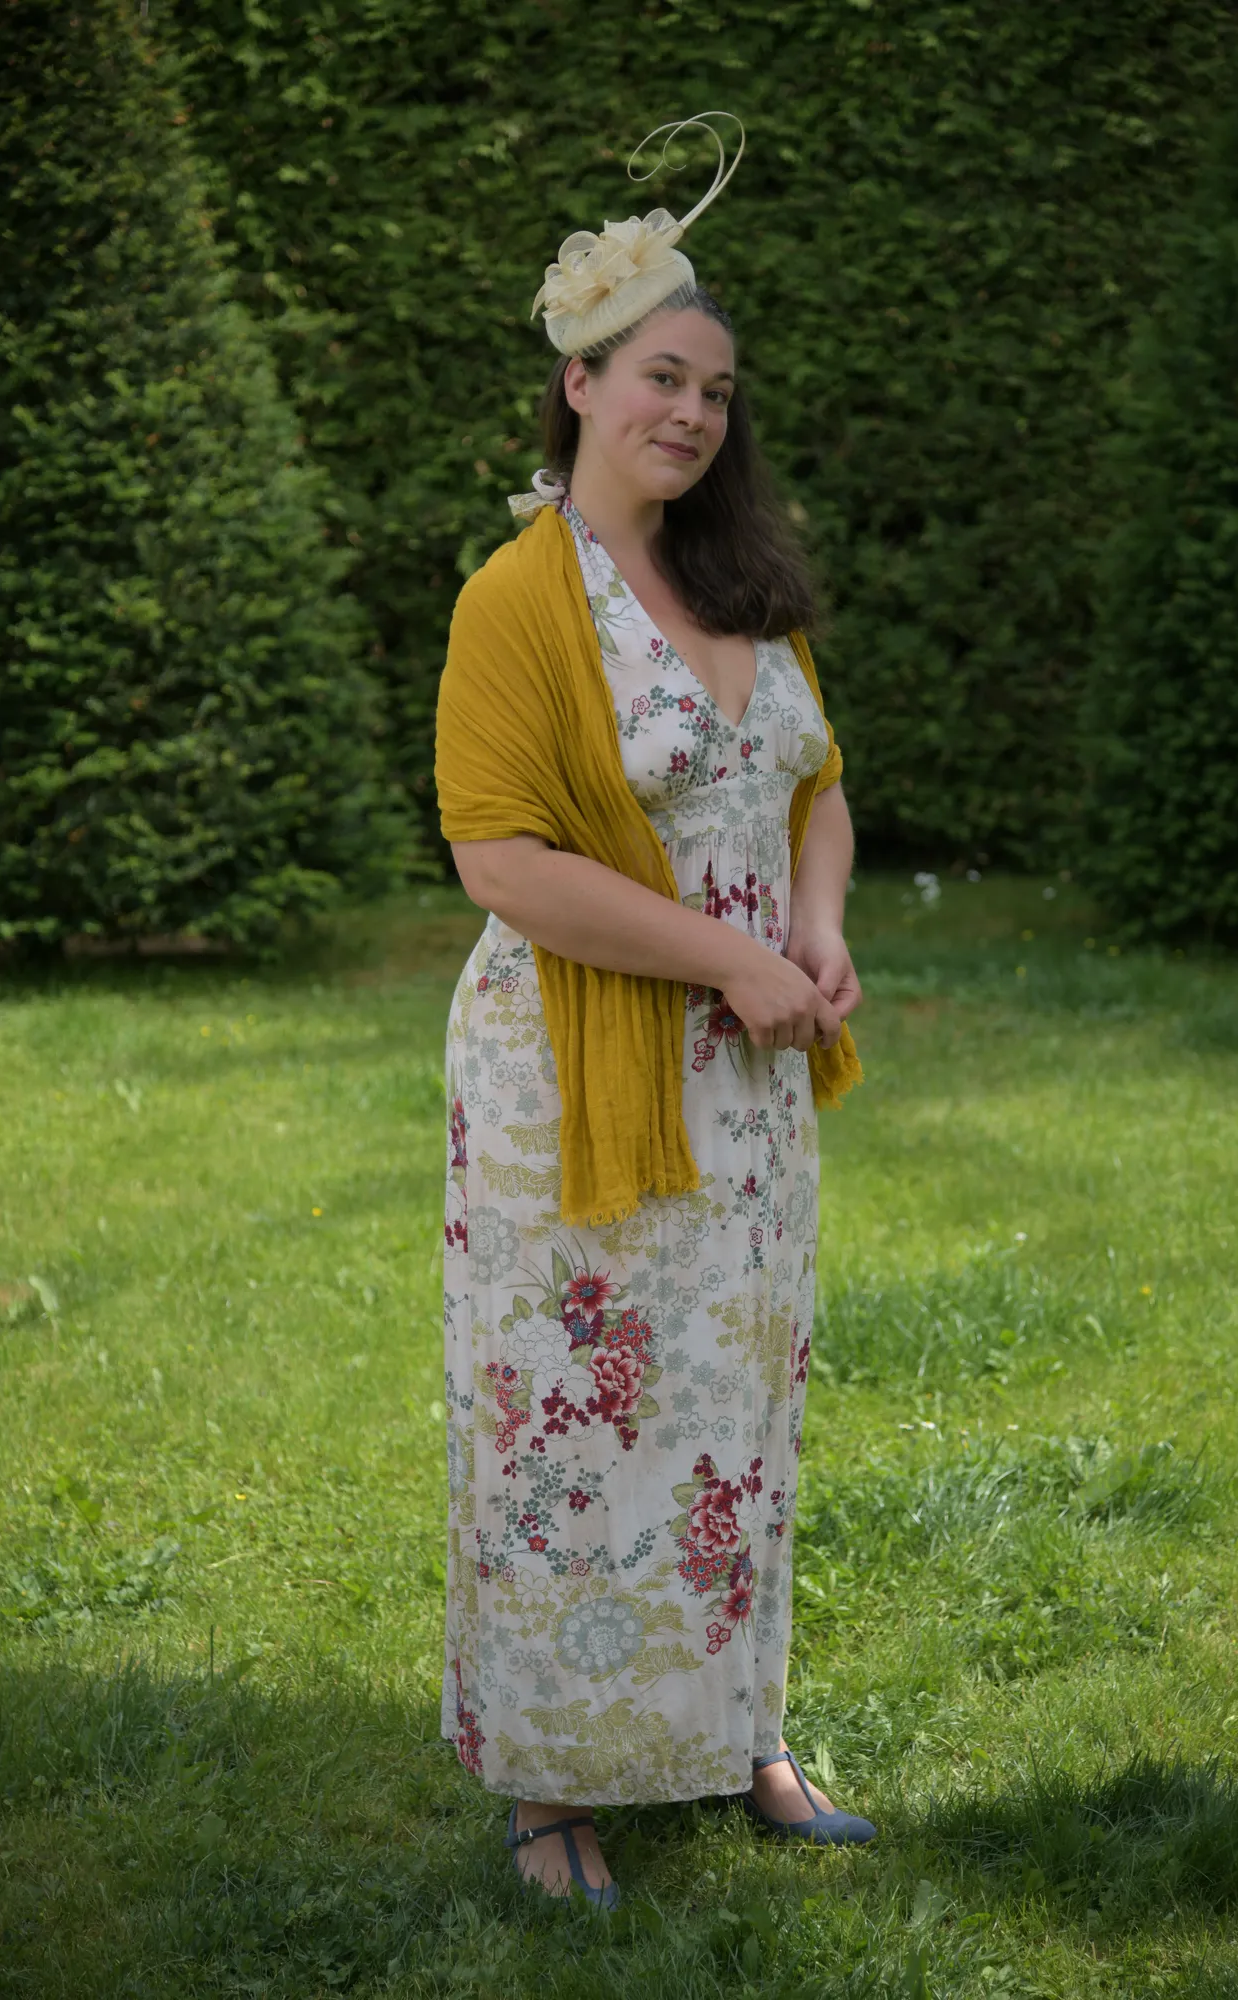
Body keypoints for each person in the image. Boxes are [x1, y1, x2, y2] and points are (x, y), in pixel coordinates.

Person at [435, 113, 873, 1911]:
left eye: (714, 391)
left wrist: (816, 935)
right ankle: (553, 1786)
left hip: (748, 1082)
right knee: (568, 1424)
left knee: (734, 1409)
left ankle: (734, 1731)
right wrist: (731, 961)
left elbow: (813, 783)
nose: (690, 414)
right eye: (660, 379)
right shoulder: (517, 598)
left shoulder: (738, 580)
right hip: (576, 1078)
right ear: (582, 384)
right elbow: (501, 859)